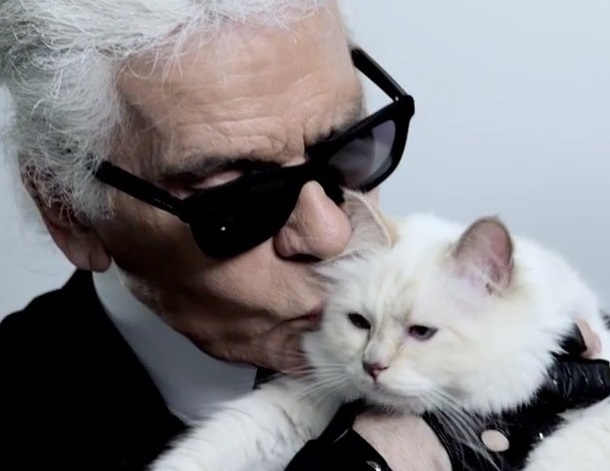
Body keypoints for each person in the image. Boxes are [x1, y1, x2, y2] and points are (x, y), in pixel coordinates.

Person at [0, 1, 607, 471]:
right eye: (239, 194)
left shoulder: (545, 333)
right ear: (67, 209)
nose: (331, 232)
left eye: (348, 149)